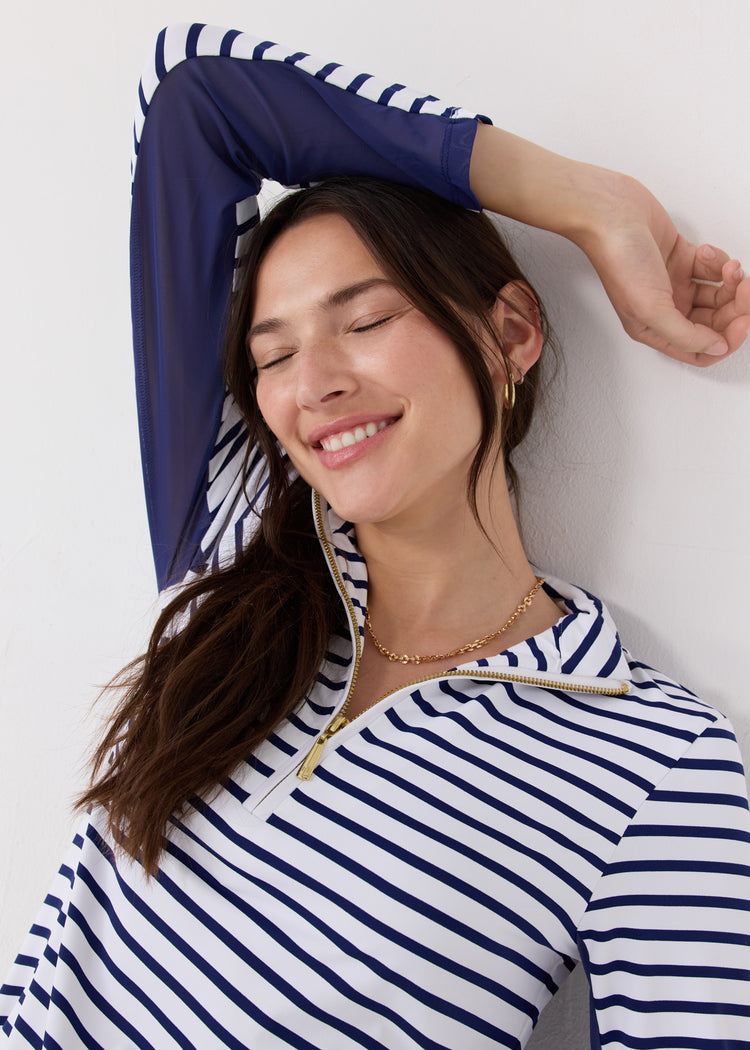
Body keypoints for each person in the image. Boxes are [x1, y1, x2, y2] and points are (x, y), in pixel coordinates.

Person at [2, 22, 749, 1050]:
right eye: (274, 355)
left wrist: (602, 216)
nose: (315, 387)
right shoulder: (231, 555)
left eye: (364, 321)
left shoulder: (653, 768)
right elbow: (196, 105)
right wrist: (579, 198)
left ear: (511, 334)